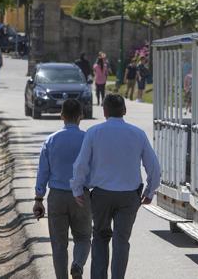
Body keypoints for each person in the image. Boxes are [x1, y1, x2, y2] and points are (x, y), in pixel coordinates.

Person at [70, 94, 161, 279]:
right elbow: (154, 167)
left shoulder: (94, 132)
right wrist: (150, 191)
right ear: (124, 111)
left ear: (104, 111)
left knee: (100, 238)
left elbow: (81, 165)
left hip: (101, 195)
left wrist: (77, 189)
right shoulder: (138, 134)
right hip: (129, 197)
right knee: (121, 241)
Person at [33, 99, 91, 279]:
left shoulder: (51, 140)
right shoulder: (87, 139)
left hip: (57, 197)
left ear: (62, 116)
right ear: (81, 115)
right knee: (82, 237)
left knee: (59, 244)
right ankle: (78, 264)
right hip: (81, 196)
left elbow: (43, 171)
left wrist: (38, 199)